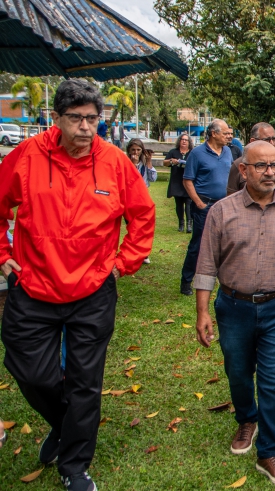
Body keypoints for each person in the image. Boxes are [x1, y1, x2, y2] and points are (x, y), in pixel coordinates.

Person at [0, 79, 155, 491]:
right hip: (33, 285)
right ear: (57, 118)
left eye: (93, 119)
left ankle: (74, 465)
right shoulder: (26, 156)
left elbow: (141, 215)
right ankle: (66, 425)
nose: (86, 128)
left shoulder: (114, 161)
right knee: (30, 373)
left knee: (85, 381)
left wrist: (124, 263)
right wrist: (3, 255)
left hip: (93, 288)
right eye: (77, 119)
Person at [194, 141, 275, 486]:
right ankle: (246, 419)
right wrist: (202, 311)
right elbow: (206, 265)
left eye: (274, 166)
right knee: (237, 371)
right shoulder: (221, 212)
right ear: (243, 171)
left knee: (272, 381)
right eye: (261, 166)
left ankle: (269, 452)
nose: (270, 172)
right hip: (233, 308)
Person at [180, 119, 232, 296]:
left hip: (224, 205)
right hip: (204, 205)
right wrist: (198, 202)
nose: (228, 136)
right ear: (213, 133)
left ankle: (223, 281)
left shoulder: (228, 152)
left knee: (225, 245)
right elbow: (187, 180)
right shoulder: (197, 153)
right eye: (224, 133)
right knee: (199, 245)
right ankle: (186, 281)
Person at [227, 123, 275, 200]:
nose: (272, 143)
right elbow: (231, 199)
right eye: (267, 140)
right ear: (253, 141)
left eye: (274, 139)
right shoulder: (239, 165)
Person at [164, 133, 194, 233]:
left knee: (189, 203)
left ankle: (189, 224)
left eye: (186, 140)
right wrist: (172, 161)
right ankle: (181, 224)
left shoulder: (193, 153)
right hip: (177, 181)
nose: (184, 141)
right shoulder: (173, 152)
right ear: (179, 141)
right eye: (182, 139)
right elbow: (165, 163)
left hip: (189, 180)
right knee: (179, 204)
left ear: (189, 142)